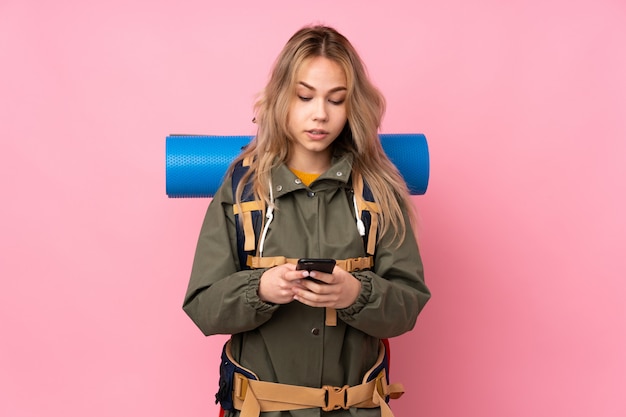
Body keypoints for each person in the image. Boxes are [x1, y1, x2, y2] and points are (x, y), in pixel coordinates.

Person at [183, 24, 430, 417]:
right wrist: (259, 288)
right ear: (282, 97)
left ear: (353, 106)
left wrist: (355, 295)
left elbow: (408, 305)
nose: (320, 114)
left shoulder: (380, 192)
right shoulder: (241, 189)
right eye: (305, 96)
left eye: (336, 100)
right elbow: (202, 307)